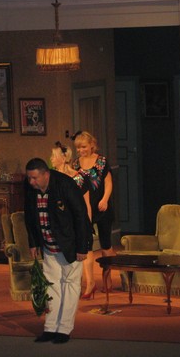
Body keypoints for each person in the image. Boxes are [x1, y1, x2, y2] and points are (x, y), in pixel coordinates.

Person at [24, 158, 89, 344]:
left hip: (70, 245)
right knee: (51, 285)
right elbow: (29, 216)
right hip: (48, 245)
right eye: (29, 178)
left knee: (70, 285)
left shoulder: (65, 184)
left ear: (46, 174)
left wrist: (82, 247)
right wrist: (33, 243)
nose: (31, 182)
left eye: (35, 178)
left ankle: (64, 329)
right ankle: (50, 328)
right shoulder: (30, 188)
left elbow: (81, 216)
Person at [49, 142, 96, 299]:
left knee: (85, 250)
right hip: (61, 222)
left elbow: (86, 204)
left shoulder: (78, 178)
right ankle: (73, 285)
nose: (51, 159)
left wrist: (87, 225)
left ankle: (90, 283)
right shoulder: (51, 178)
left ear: (63, 158)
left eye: (54, 156)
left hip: (77, 220)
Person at [72, 131, 115, 291]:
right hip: (84, 210)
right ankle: (90, 283)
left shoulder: (102, 161)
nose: (81, 150)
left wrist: (105, 200)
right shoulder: (75, 164)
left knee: (106, 245)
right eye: (78, 148)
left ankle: (107, 278)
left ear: (92, 145)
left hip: (102, 208)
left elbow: (108, 183)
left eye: (83, 147)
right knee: (86, 245)